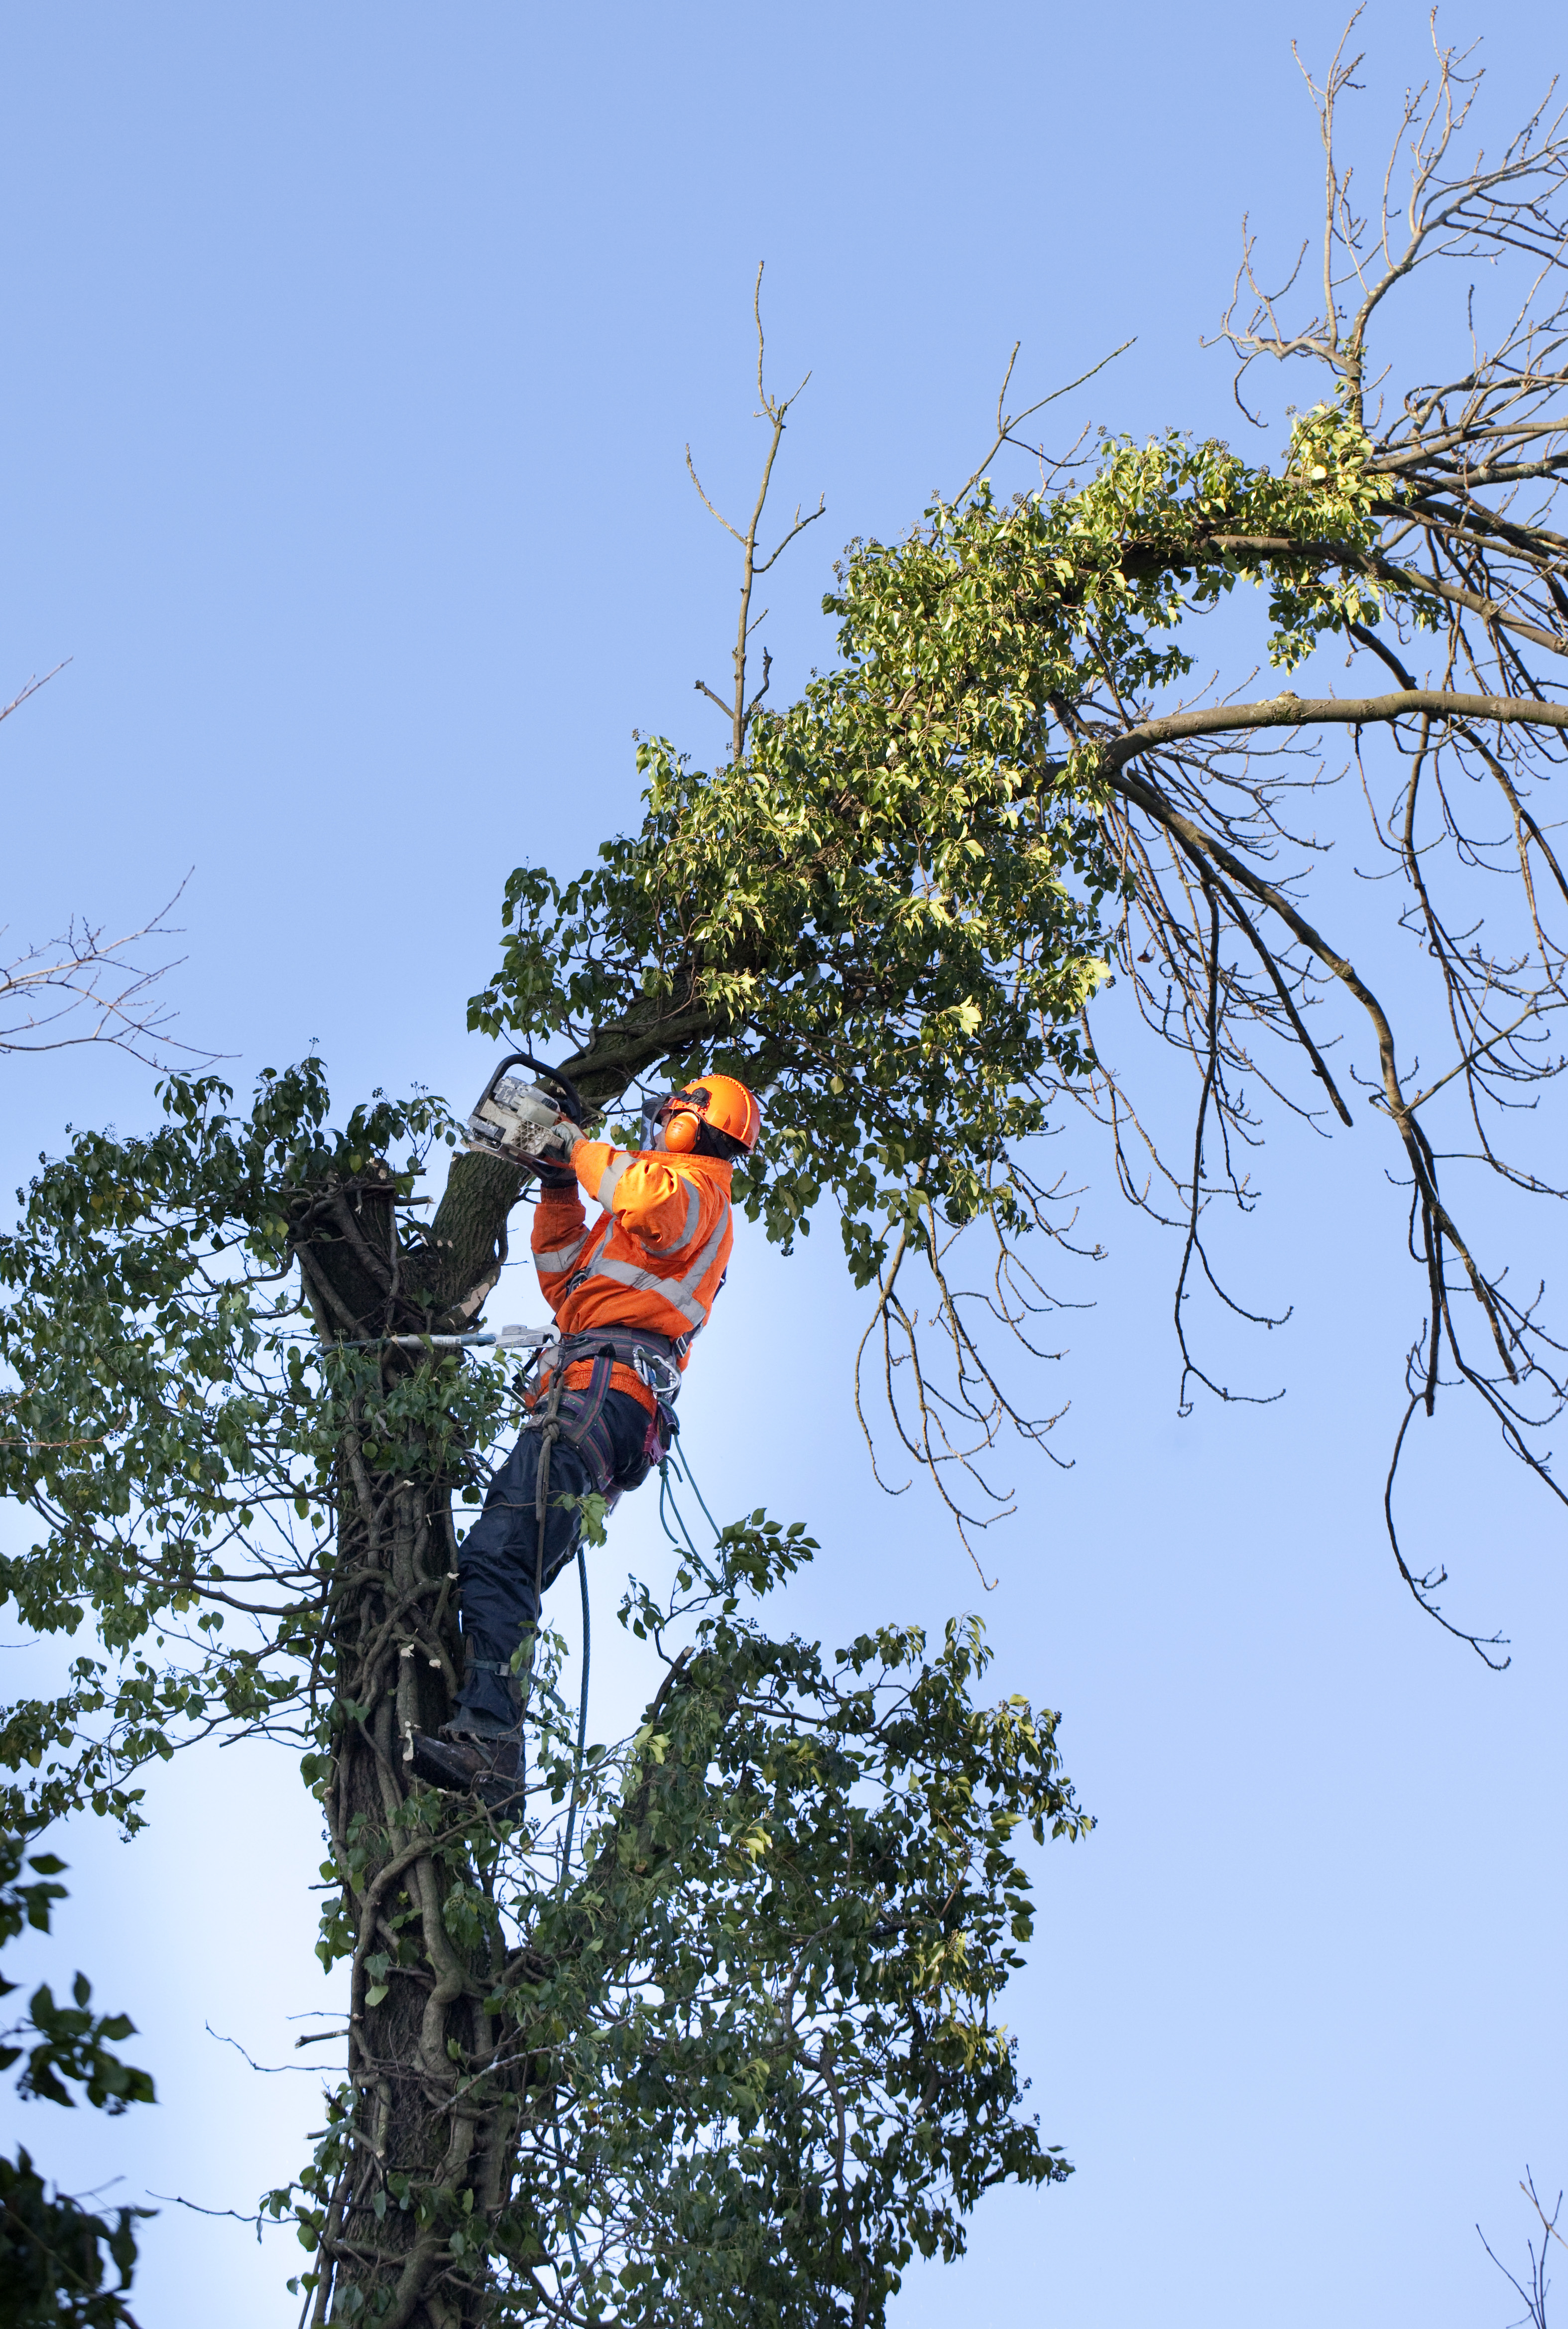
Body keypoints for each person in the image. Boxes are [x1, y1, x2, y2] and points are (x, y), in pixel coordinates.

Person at [410, 1072, 761, 1807]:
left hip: (606, 1390)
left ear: (688, 1125)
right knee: (506, 1563)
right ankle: (485, 1738)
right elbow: (564, 1280)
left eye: (669, 1114)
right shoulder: (647, 1198)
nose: (657, 1123)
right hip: (593, 1385)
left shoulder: (692, 1191)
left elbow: (637, 1194)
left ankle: (493, 1750)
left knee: (501, 1547)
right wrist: (560, 1185)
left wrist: (578, 1146)